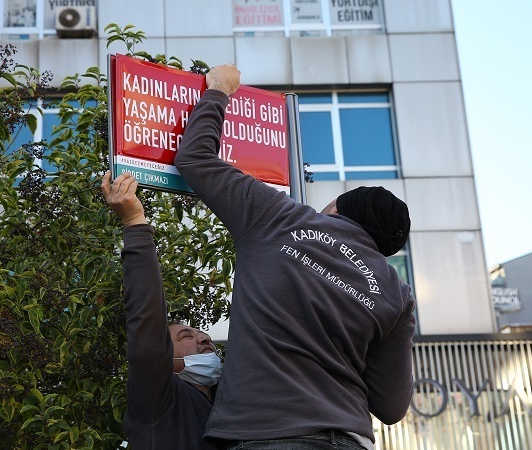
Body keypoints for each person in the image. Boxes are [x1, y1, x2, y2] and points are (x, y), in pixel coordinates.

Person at [174, 65, 416, 450]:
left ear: (337, 209)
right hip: (352, 440)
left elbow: (194, 158)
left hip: (268, 436)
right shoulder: (397, 294)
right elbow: (390, 406)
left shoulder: (280, 216)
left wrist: (218, 89)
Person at [101, 170, 222, 450]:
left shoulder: (231, 410)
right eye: (185, 337)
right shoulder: (158, 396)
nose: (204, 339)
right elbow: (146, 321)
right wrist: (134, 223)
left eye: (203, 334)